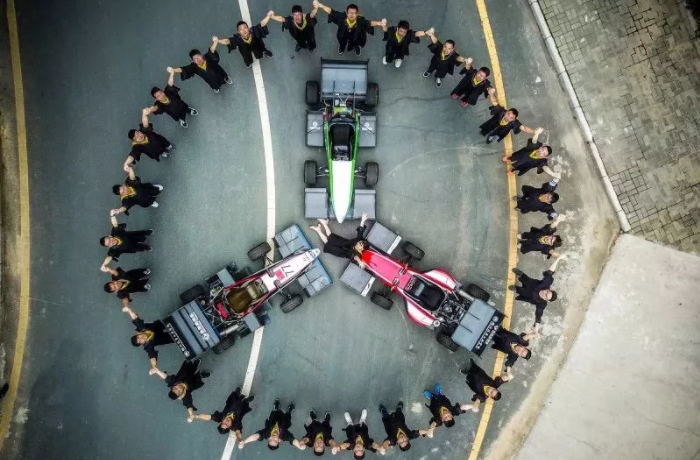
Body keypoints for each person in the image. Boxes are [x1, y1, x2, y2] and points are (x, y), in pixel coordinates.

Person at [510, 255, 567, 332]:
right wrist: (558, 258)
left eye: (546, 296)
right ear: (549, 289)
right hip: (528, 282)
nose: (544, 293)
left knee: (515, 289)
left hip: (525, 294)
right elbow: (550, 272)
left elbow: (538, 315)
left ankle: (516, 288)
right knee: (524, 277)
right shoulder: (546, 284)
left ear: (546, 300)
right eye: (547, 292)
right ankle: (520, 274)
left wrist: (536, 329)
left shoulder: (542, 304)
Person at [313, 1, 384, 56]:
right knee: (342, 42)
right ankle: (342, 48)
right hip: (343, 34)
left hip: (356, 35)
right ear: (346, 13)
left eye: (354, 13)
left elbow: (369, 23)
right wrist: (321, 5)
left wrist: (379, 23)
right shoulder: (341, 17)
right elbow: (331, 12)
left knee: (356, 42)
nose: (352, 14)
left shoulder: (360, 21)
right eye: (350, 12)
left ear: (357, 14)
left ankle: (356, 48)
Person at [189, 386, 254, 440]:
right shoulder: (235, 425)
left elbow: (208, 417)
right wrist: (240, 440)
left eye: (224, 423)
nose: (226, 422)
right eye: (227, 425)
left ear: (221, 422)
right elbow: (238, 433)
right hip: (240, 410)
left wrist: (196, 416)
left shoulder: (219, 417)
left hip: (231, 405)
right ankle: (246, 401)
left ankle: (237, 393)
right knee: (244, 406)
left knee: (233, 397)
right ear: (230, 427)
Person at [168, 38, 232, 93]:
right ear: (193, 61)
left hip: (220, 74)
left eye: (198, 56)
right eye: (195, 59)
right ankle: (216, 87)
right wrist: (174, 70)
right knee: (213, 85)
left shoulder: (208, 57)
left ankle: (226, 79)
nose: (197, 59)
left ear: (201, 56)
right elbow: (184, 69)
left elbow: (211, 51)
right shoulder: (194, 67)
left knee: (223, 76)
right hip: (210, 80)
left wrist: (215, 42)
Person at [121, 305, 174, 370]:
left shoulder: (142, 328)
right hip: (162, 338)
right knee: (174, 337)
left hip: (158, 326)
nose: (141, 338)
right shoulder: (148, 346)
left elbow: (135, 318)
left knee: (171, 319)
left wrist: (129, 310)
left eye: (139, 337)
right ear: (142, 344)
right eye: (140, 341)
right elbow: (152, 357)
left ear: (138, 334)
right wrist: (154, 367)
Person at [239, 399, 304, 450]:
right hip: (284, 422)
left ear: (268, 438)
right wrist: (299, 445)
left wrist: (244, 442)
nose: (273, 438)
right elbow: (292, 440)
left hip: (274, 418)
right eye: (275, 441)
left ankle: (276, 408)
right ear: (279, 440)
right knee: (288, 416)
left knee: (275, 412)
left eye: (270, 440)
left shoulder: (266, 433)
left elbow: (256, 436)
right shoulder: (284, 436)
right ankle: (289, 411)